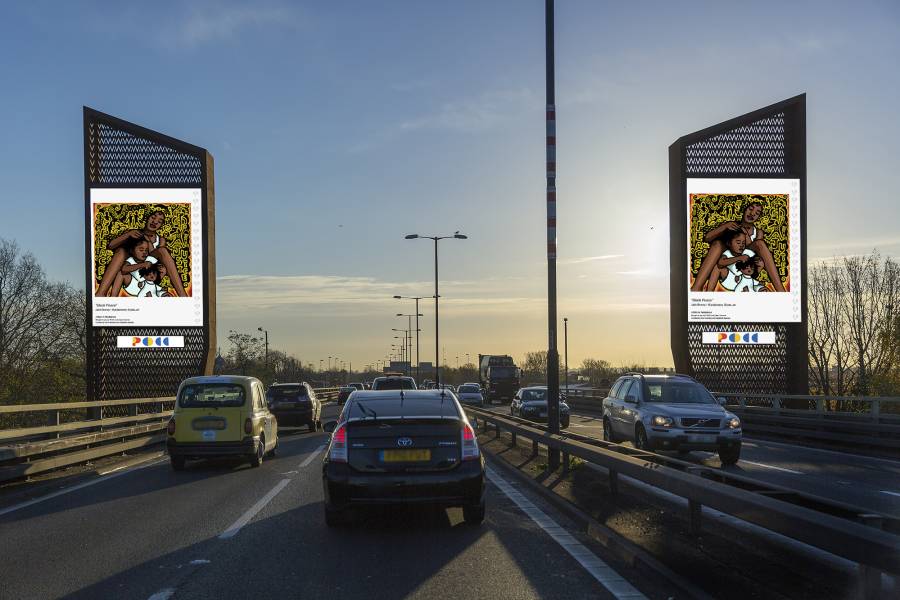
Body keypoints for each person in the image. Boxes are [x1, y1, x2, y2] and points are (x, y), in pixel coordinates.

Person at [690, 200, 786, 292]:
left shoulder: (758, 232)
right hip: (729, 260)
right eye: (750, 209)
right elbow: (707, 238)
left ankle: (780, 290)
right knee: (717, 244)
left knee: (760, 243)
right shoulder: (732, 225)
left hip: (746, 264)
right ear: (744, 210)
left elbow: (755, 253)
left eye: (757, 213)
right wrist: (724, 227)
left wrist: (747, 238)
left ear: (759, 217)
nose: (752, 213)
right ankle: (697, 287)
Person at [96, 208, 188, 297]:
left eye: (159, 221)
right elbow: (111, 246)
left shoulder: (160, 240)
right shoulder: (135, 233)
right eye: (153, 217)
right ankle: (101, 293)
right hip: (132, 272)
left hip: (148, 273)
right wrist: (128, 235)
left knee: (162, 251)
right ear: (147, 218)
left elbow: (157, 260)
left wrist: (149, 245)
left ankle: (182, 295)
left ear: (161, 225)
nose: (155, 221)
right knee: (121, 251)